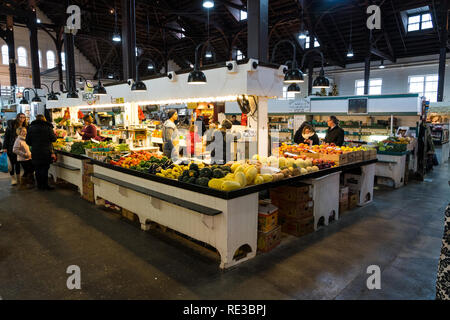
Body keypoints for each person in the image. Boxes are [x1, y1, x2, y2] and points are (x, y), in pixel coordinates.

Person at [26, 115, 57, 191]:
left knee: (37, 169)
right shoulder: (48, 127)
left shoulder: (31, 128)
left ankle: (39, 185)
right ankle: (45, 185)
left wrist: (34, 144)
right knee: (45, 168)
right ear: (44, 119)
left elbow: (27, 141)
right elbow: (53, 139)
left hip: (36, 151)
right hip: (46, 151)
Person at [2, 113, 28, 185]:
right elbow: (6, 137)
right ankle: (13, 179)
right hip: (11, 146)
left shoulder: (25, 126)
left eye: (24, 117)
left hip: (21, 147)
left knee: (18, 163)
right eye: (21, 117)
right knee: (12, 164)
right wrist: (4, 147)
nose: (22, 119)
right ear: (17, 118)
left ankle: (18, 178)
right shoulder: (11, 126)